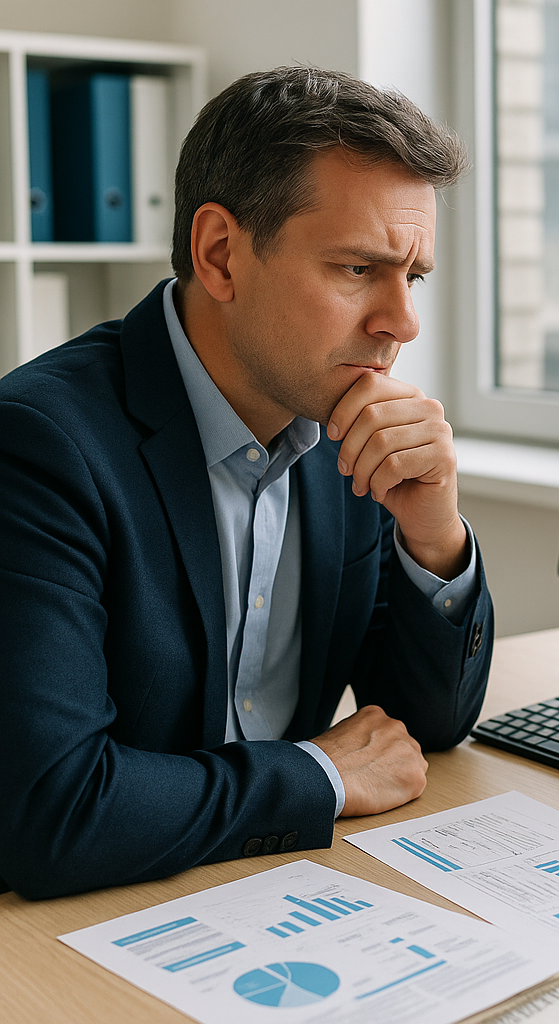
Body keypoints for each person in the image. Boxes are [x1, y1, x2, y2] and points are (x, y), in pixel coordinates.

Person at [0, 66, 493, 900]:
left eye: (412, 277)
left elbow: (426, 727)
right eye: (356, 269)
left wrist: (433, 536)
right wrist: (316, 776)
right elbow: (54, 813)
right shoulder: (40, 444)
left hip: (280, 889)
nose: (401, 323)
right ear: (221, 255)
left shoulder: (339, 422)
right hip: (96, 922)